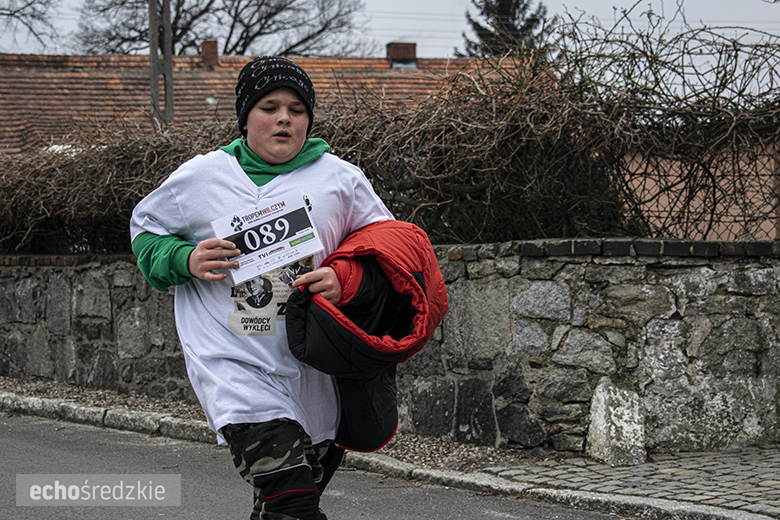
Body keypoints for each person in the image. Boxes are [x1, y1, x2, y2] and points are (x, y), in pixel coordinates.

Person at [129, 56, 393, 520]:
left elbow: (387, 253)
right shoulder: (202, 177)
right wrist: (184, 258)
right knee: (294, 501)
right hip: (234, 364)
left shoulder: (341, 180)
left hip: (317, 368)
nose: (284, 118)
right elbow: (145, 233)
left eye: (296, 109)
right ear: (246, 115)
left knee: (281, 506)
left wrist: (346, 278)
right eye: (269, 107)